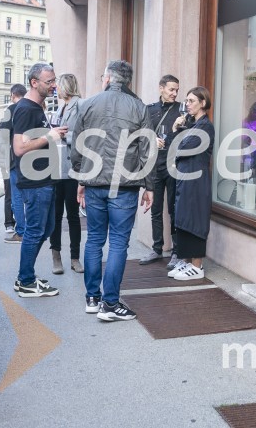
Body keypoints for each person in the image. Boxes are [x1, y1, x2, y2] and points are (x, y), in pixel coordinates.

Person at [70, 60, 154, 321]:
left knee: (95, 239)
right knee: (118, 242)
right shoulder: (139, 106)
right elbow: (147, 150)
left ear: (108, 78)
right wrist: (149, 186)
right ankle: (110, 303)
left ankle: (93, 298)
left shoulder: (87, 104)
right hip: (124, 186)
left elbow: (76, 146)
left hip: (94, 182)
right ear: (126, 81)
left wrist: (80, 178)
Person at [12, 64, 65, 297]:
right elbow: (19, 148)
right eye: (49, 81)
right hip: (36, 183)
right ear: (35, 82)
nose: (54, 85)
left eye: (54, 81)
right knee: (35, 231)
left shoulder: (35, 107)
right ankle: (25, 281)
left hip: (45, 180)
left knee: (47, 228)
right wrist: (49, 136)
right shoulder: (26, 109)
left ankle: (27, 276)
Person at [167, 87, 215, 281]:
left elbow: (183, 148)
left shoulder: (205, 126)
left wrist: (176, 132)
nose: (187, 104)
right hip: (186, 177)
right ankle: (187, 262)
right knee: (184, 218)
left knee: (195, 219)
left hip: (196, 180)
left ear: (203, 103)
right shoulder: (193, 125)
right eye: (186, 100)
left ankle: (197, 266)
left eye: (192, 100)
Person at [138, 74, 182, 266]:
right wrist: (151, 139)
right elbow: (140, 133)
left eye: (176, 90)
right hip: (155, 166)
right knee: (155, 209)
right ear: (161, 88)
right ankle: (157, 249)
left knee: (173, 209)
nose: (174, 93)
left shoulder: (181, 109)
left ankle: (176, 251)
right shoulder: (149, 110)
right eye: (171, 89)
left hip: (173, 166)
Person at [48, 73, 84, 274]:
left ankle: (75, 257)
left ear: (65, 87)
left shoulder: (79, 105)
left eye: (57, 86)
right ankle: (56, 256)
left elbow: (83, 135)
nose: (56, 89)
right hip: (56, 169)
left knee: (72, 216)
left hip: (71, 170)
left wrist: (62, 135)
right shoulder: (60, 108)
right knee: (56, 215)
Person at [0, 84, 27, 240]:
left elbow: (2, 135)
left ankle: (21, 231)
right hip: (32, 159)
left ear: (12, 95)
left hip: (15, 159)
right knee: (30, 196)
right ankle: (32, 229)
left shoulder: (11, 110)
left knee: (16, 196)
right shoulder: (32, 107)